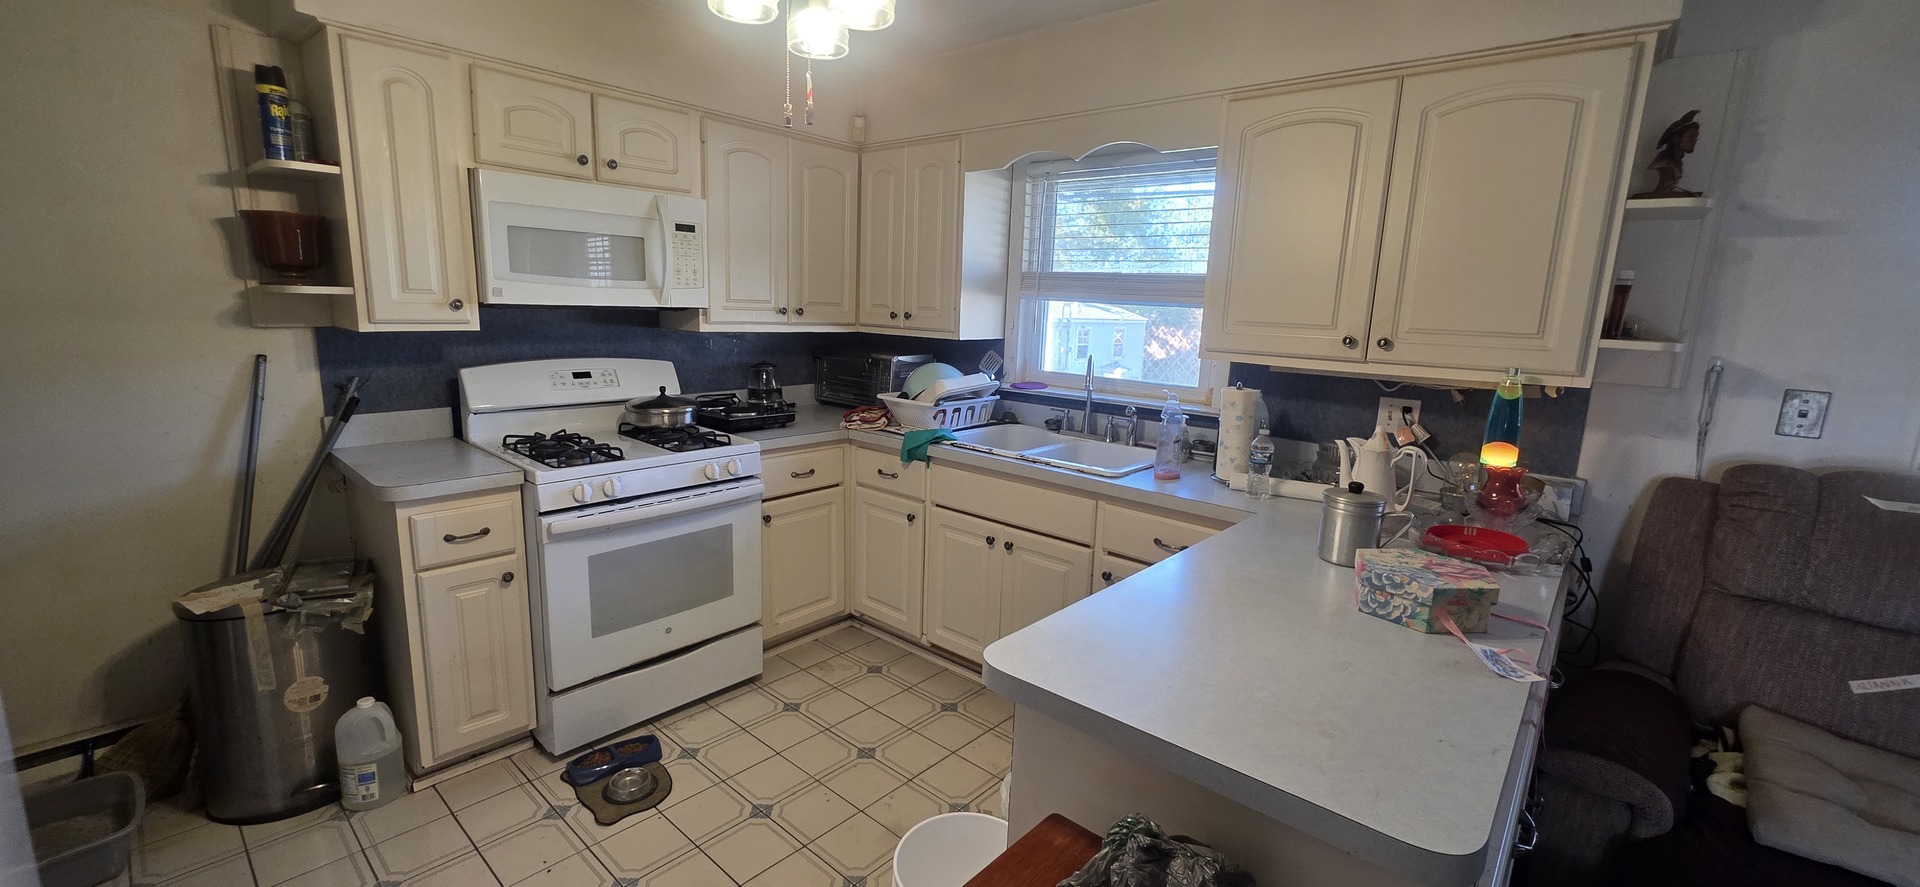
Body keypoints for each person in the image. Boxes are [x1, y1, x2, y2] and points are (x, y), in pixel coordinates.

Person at [1635, 109, 1703, 198]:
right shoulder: (1665, 163)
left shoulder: (1676, 162)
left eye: (1696, 137)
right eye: (1691, 136)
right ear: (1676, 139)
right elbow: (1661, 193)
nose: (1695, 140)